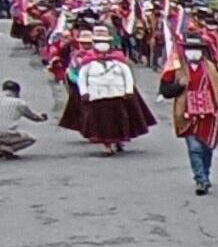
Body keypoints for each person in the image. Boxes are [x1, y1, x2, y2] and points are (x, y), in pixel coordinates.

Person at [59, 26, 156, 155]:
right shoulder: (84, 59)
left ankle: (119, 140)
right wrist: (84, 91)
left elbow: (127, 74)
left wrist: (128, 90)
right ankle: (106, 144)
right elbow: (80, 76)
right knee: (101, 120)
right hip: (96, 94)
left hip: (117, 93)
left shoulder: (118, 59)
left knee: (120, 118)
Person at [161, 34, 218, 195]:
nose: (194, 53)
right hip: (187, 114)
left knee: (207, 147)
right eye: (190, 50)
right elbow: (165, 91)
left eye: (197, 50)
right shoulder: (176, 69)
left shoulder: (211, 67)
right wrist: (178, 86)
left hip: (209, 114)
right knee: (194, 148)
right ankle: (200, 179)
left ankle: (206, 172)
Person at [0, 80, 50, 159]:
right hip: (3, 134)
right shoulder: (19, 103)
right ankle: (7, 149)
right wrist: (42, 117)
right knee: (31, 139)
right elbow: (34, 117)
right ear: (17, 91)